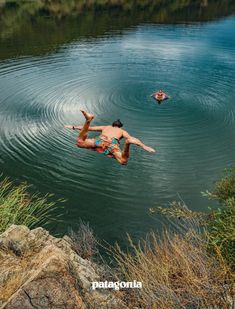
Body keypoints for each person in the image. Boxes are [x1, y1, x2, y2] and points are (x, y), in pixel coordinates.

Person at [64, 109, 155, 165]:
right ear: (120, 126)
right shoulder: (122, 131)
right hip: (112, 144)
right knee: (123, 161)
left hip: (99, 140)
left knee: (80, 142)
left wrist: (73, 127)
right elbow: (131, 138)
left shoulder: (106, 127)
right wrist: (144, 146)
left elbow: (89, 129)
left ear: (112, 124)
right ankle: (127, 144)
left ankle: (88, 120)